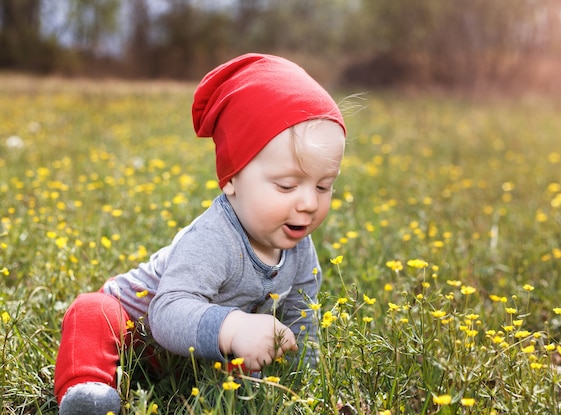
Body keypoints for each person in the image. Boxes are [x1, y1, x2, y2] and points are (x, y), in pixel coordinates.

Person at [54, 53, 346, 415]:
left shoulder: (300, 247)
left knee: (243, 368)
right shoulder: (214, 238)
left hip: (194, 354)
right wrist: (235, 327)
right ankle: (89, 392)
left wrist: (304, 378)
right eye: (287, 186)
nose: (308, 203)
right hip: (137, 332)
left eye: (324, 186)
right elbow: (165, 314)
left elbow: (303, 315)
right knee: (92, 311)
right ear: (232, 179)